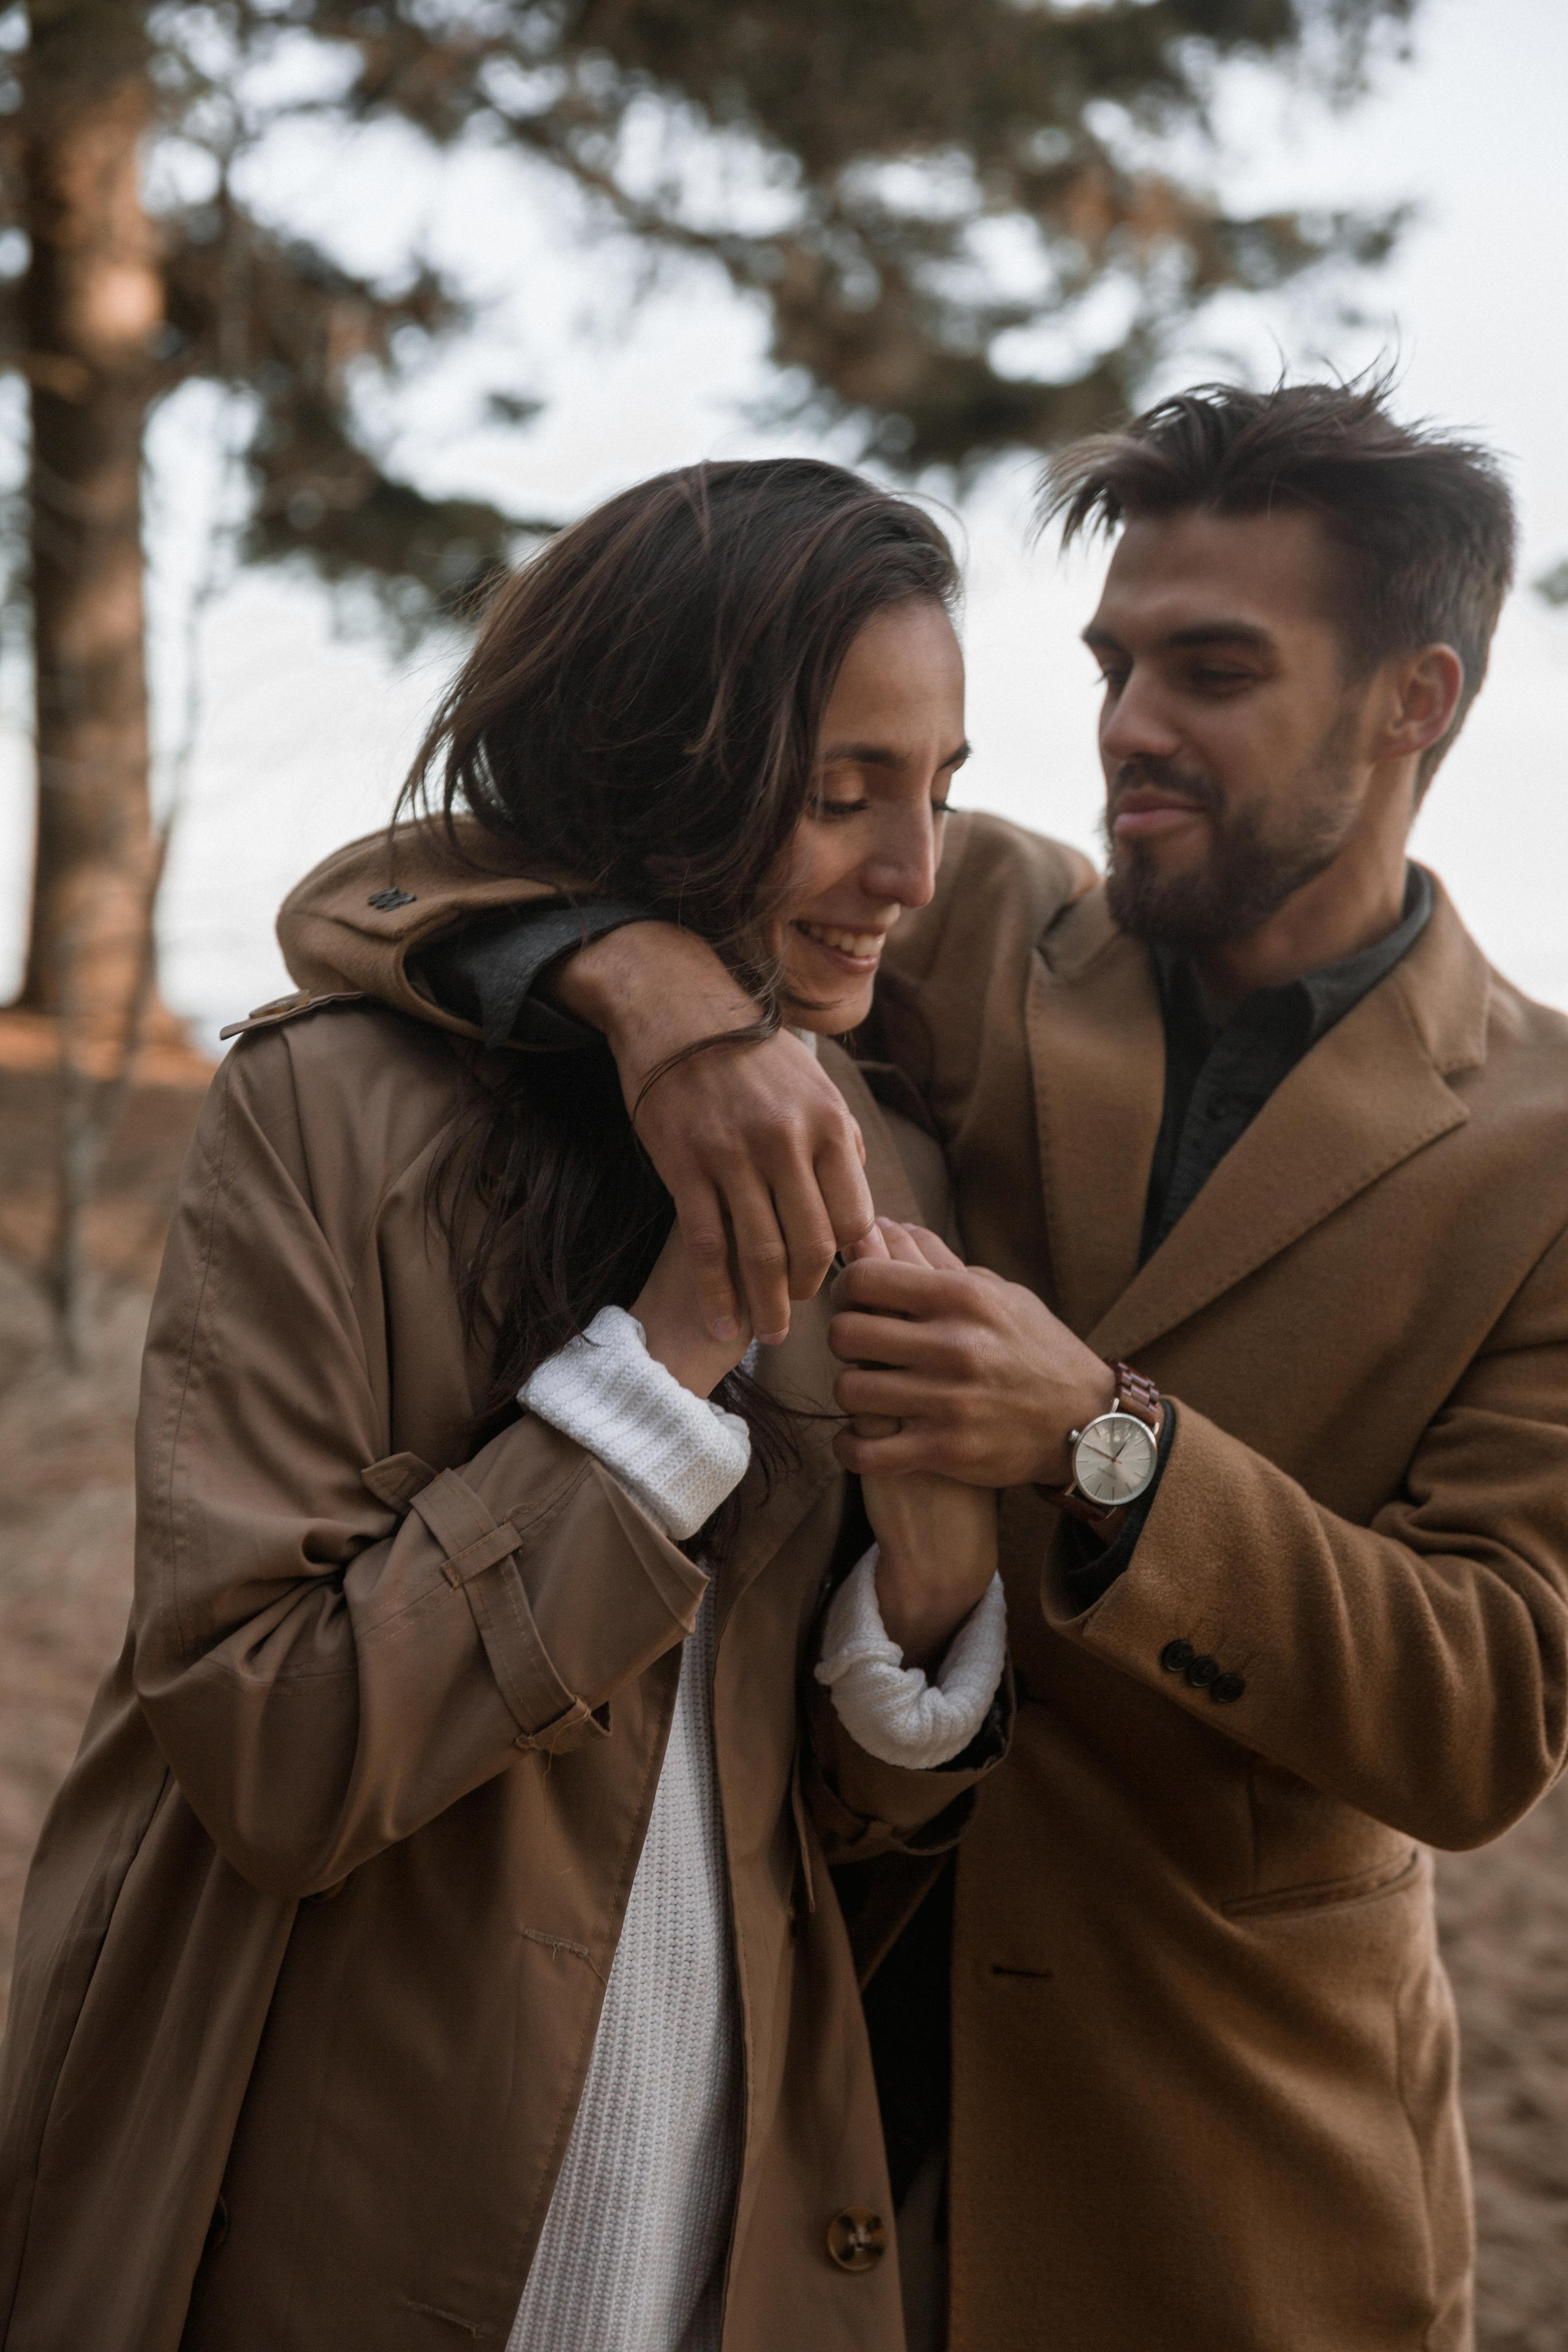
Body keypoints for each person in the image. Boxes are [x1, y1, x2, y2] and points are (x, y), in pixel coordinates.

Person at [317, 380, 1568, 2350]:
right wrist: (656, 998)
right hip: (808, 2092)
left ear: (1417, 699)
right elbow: (386, 886)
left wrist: (1107, 1451)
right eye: (1117, 660)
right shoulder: (967, 908)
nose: (1132, 726)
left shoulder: (1550, 1149)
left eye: (1215, 670)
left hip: (1224, 2177)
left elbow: (1488, 1713)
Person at [0, 459, 1016, 2352]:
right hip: (339, 2192)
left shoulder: (893, 1181)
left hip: (722, 2228)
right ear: (664, 768)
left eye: (940, 792)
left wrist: (936, 1603)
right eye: (839, 794)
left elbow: (828, 1842)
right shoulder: (325, 1116)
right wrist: (669, 1357)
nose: (917, 876)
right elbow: (276, 1752)